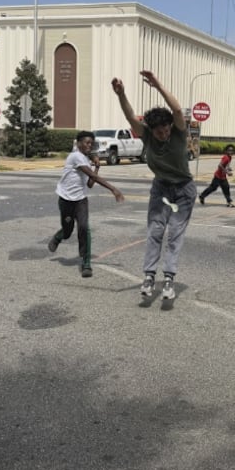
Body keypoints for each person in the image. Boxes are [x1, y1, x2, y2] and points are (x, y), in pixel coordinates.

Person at [112, 70, 196, 300]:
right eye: (160, 131)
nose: (164, 134)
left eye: (167, 129)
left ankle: (169, 278)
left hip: (183, 190)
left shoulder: (178, 133)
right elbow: (131, 118)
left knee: (175, 234)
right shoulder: (147, 135)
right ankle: (149, 276)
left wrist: (158, 85)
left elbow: (177, 111)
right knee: (155, 231)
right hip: (161, 187)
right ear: (152, 129)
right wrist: (121, 94)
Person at [48, 131, 124, 278]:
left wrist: (97, 166)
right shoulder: (75, 156)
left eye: (91, 143)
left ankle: (86, 263)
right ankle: (58, 237)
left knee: (84, 228)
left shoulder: (84, 159)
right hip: (65, 199)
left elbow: (89, 184)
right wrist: (113, 189)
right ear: (78, 143)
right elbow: (93, 177)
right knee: (68, 231)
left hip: (80, 200)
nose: (89, 145)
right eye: (86, 143)